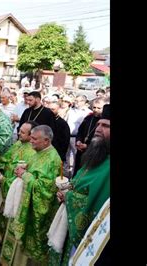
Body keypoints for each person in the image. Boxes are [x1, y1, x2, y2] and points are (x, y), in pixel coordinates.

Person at [48, 104, 110, 265]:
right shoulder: (98, 154)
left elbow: (102, 206)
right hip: (70, 222)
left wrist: (70, 197)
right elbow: (80, 181)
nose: (98, 128)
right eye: (98, 124)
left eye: (106, 126)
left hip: (89, 237)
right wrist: (67, 190)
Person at [0, 125, 61, 266]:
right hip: (23, 200)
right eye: (31, 137)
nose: (31, 141)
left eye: (34, 138)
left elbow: (46, 190)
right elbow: (34, 171)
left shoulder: (53, 159)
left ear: (46, 141)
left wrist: (25, 175)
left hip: (33, 209)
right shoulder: (39, 151)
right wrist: (24, 168)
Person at [0, 121, 38, 242]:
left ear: (31, 135)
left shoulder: (32, 152)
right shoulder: (18, 143)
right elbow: (7, 157)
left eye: (22, 132)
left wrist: (4, 180)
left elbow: (21, 174)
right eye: (19, 130)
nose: (18, 133)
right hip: (5, 177)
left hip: (12, 183)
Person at [73, 98, 106, 176]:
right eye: (94, 107)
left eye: (99, 108)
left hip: (94, 152)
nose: (96, 110)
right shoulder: (88, 118)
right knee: (77, 170)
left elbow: (103, 139)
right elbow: (80, 131)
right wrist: (78, 141)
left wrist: (87, 146)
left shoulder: (104, 122)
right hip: (81, 151)